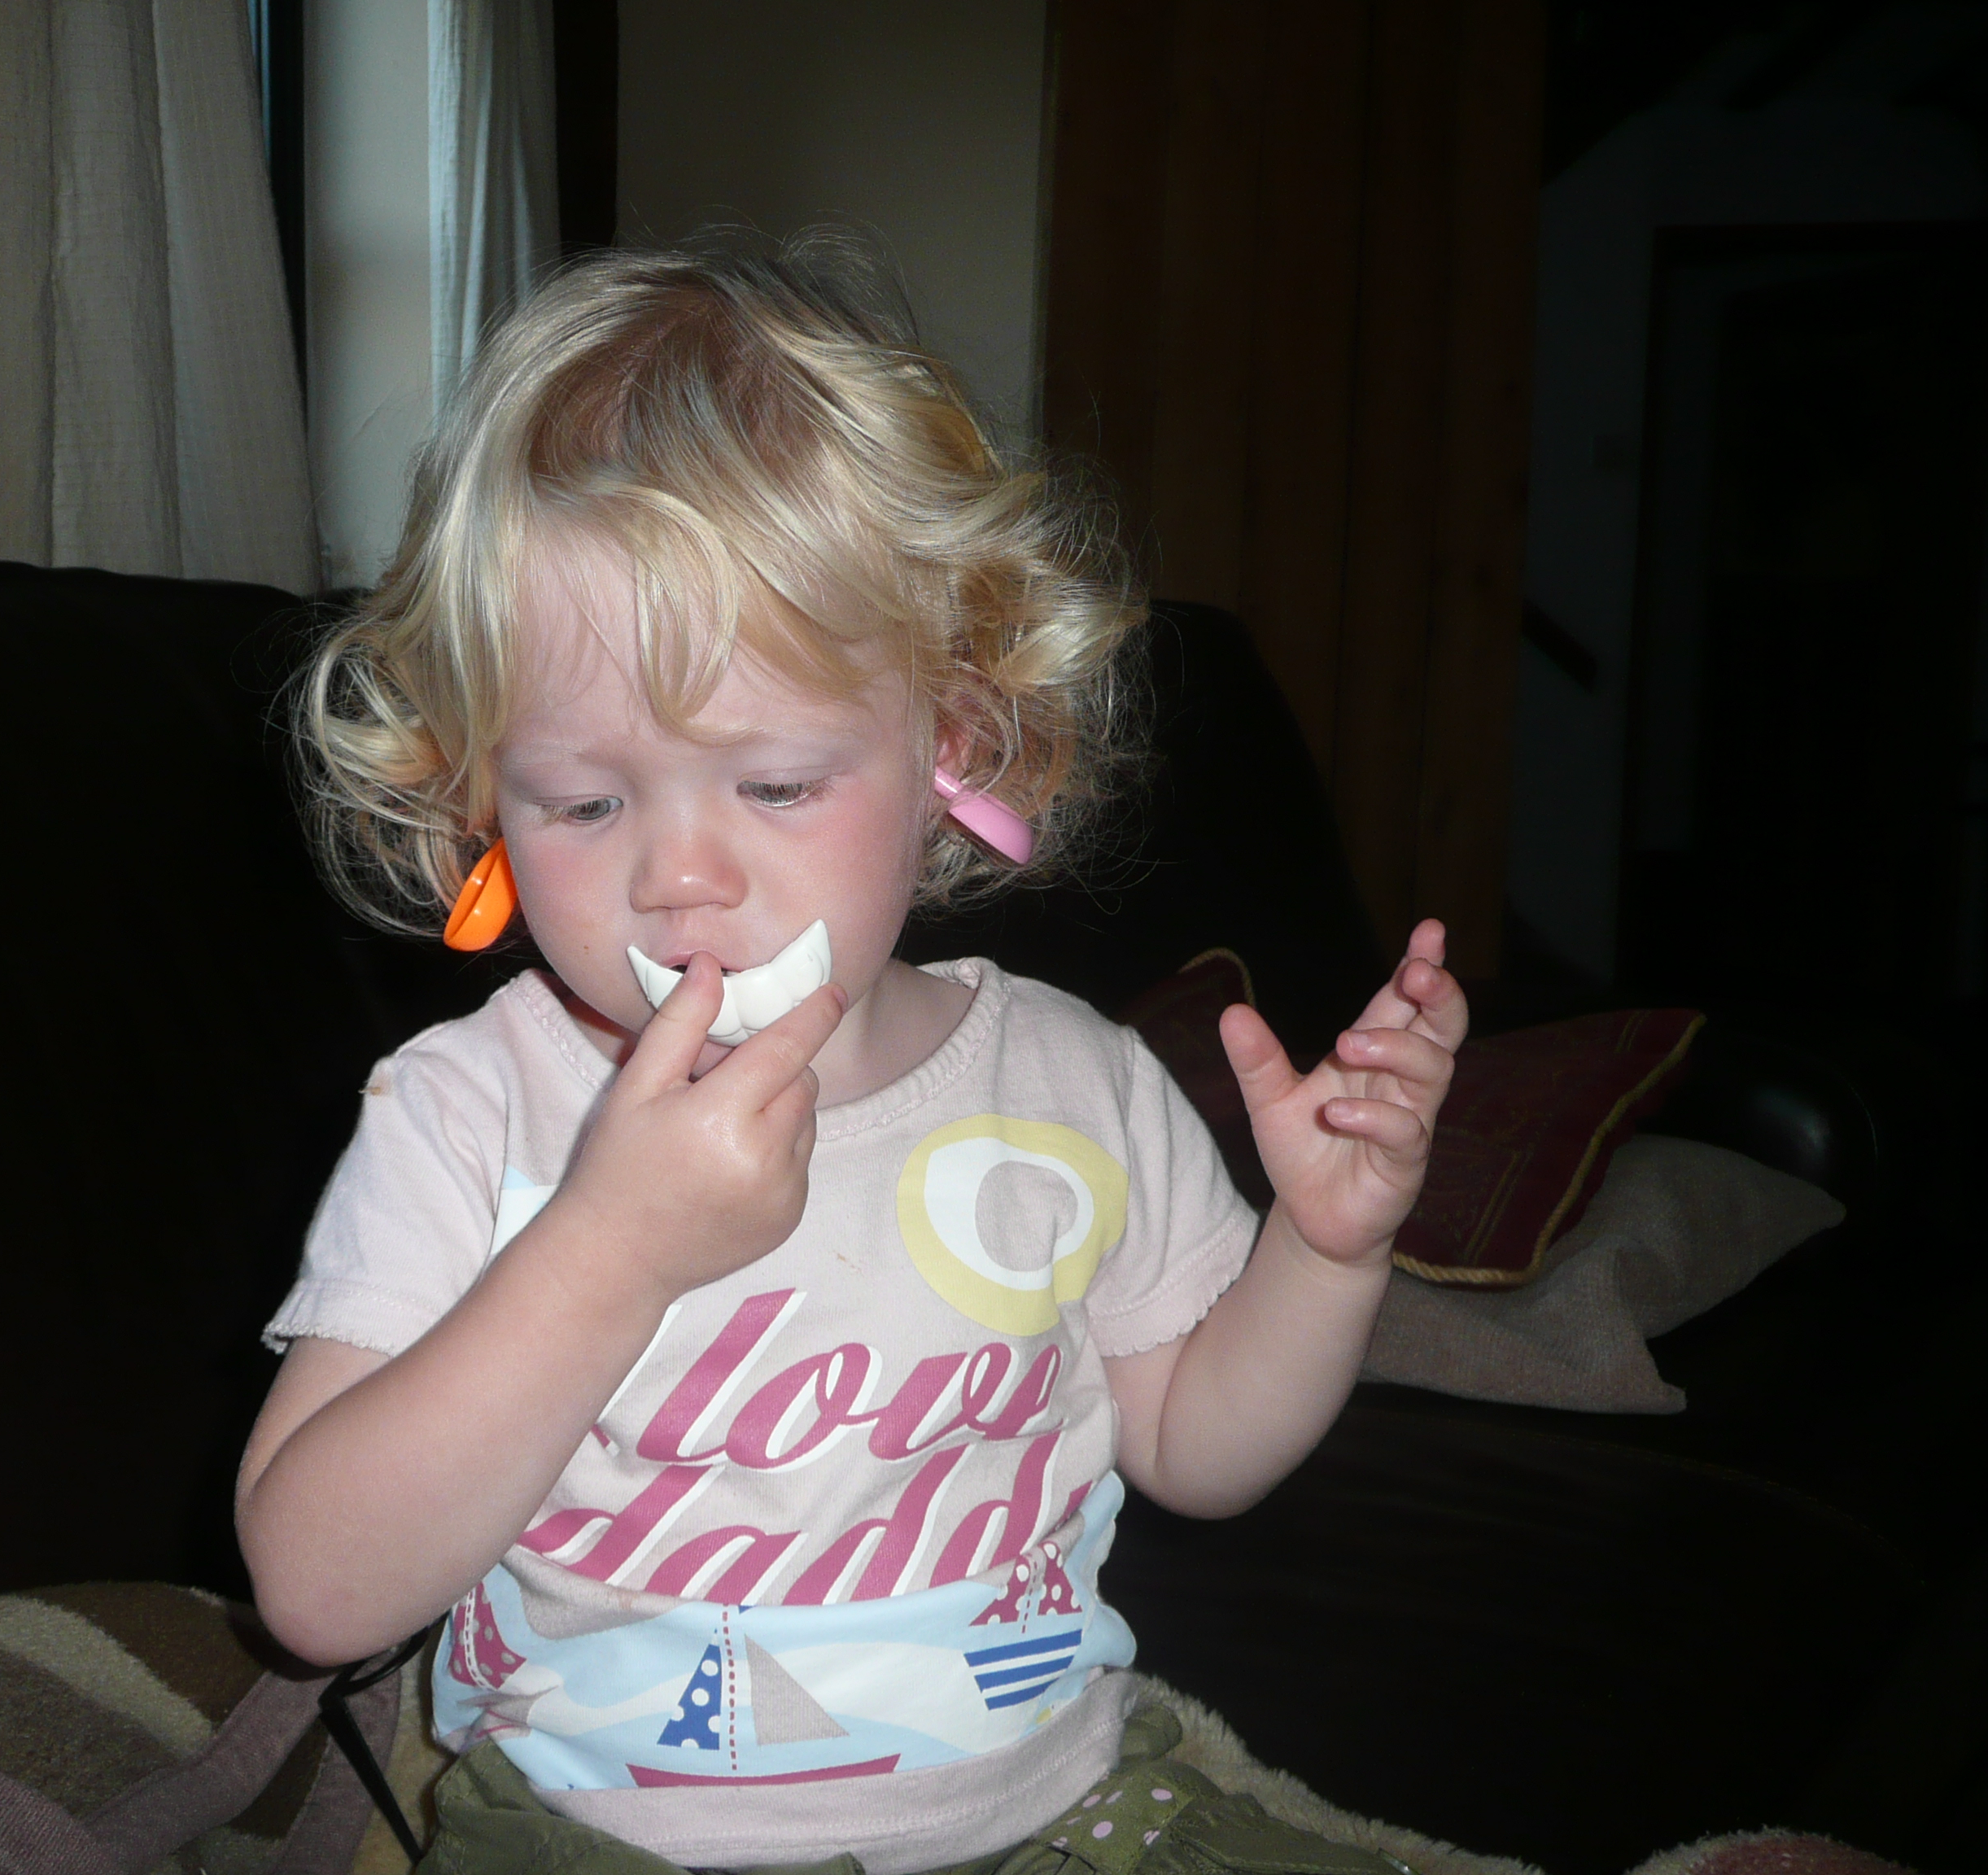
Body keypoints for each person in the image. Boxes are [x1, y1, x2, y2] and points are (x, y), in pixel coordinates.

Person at [237, 242, 1463, 1875]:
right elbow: (317, 1593)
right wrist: (608, 1252)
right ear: (483, 796)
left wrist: (1326, 1250)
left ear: (948, 740)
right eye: (583, 803)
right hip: (605, 1839)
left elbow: (1199, 1449)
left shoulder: (1074, 1085)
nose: (679, 877)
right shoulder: (471, 1115)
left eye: (776, 785)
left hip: (1057, 1811)